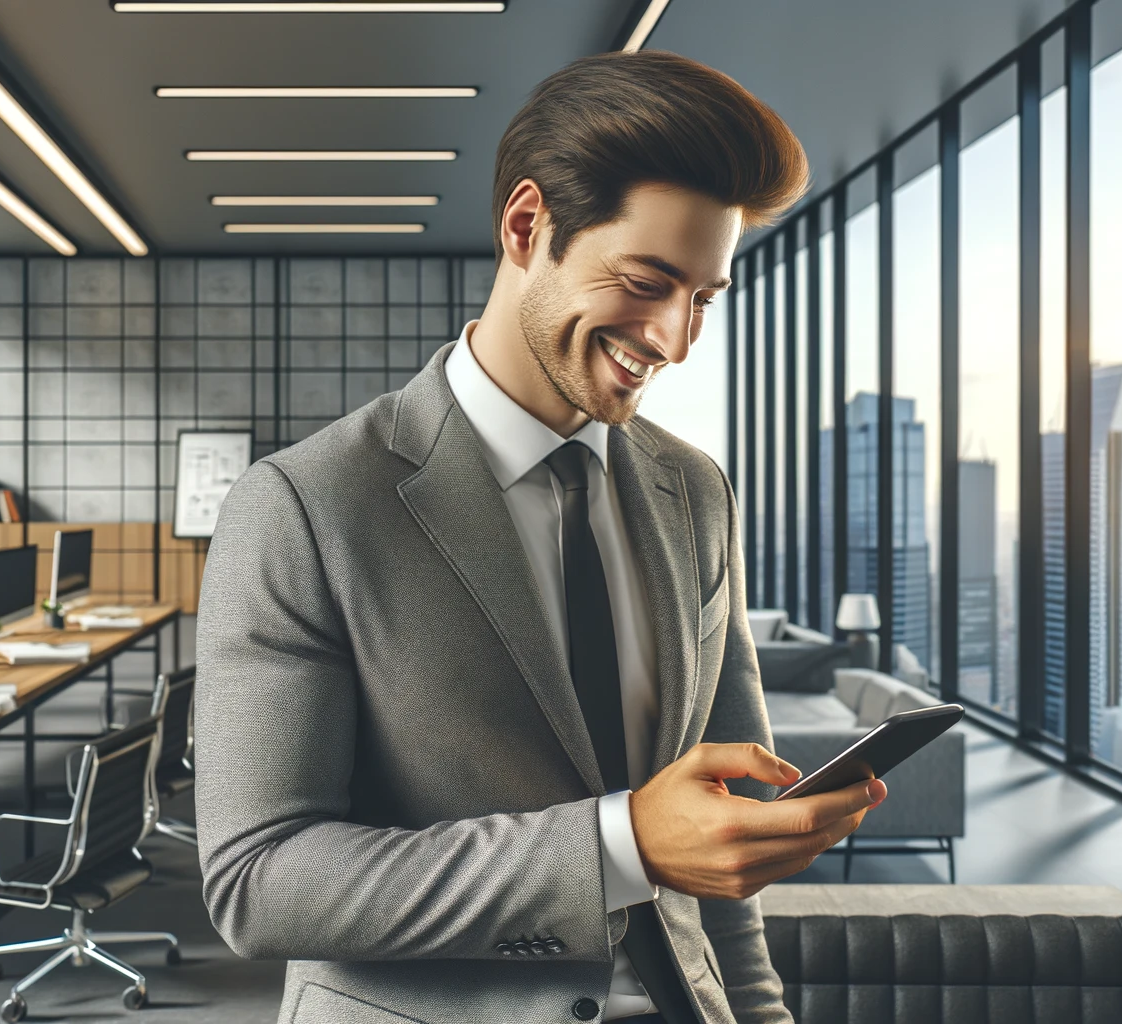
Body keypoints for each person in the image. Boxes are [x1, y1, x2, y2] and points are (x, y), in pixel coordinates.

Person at [195, 49, 887, 1024]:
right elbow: (259, 881)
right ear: (528, 227)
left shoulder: (695, 490)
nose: (675, 340)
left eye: (703, 297)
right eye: (648, 281)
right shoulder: (305, 507)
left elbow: (722, 851)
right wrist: (619, 847)